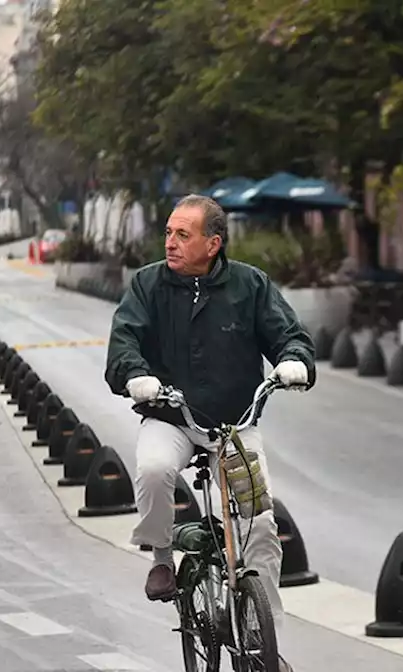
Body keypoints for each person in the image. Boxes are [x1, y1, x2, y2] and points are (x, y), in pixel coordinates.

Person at [104, 194, 316, 670]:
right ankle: (161, 556)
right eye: (169, 232)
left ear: (213, 243)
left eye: (184, 234)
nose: (171, 243)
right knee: (155, 469)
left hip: (233, 425)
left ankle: (267, 644)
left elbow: (289, 334)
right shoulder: (147, 285)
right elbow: (123, 342)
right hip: (171, 417)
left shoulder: (250, 286)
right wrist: (135, 375)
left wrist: (294, 361)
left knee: (259, 524)